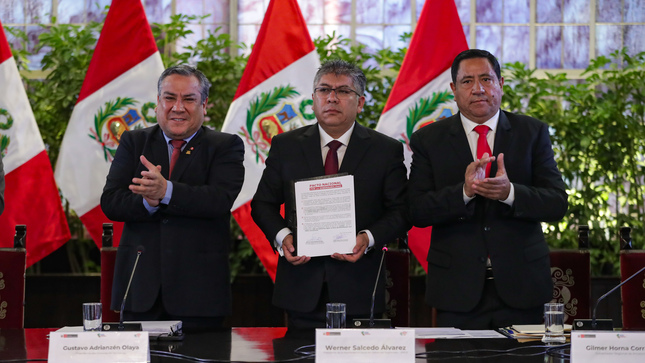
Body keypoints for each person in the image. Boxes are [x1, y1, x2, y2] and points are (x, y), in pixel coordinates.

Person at [407, 49, 568, 329]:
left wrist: (510, 193)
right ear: (453, 90)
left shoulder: (532, 132)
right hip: (456, 291)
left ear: (501, 84)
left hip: (522, 286)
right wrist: (464, 192)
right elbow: (416, 210)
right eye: (467, 81)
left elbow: (557, 203)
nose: (478, 89)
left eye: (486, 79)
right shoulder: (428, 139)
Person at [251, 60, 409, 329]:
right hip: (301, 285)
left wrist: (367, 238)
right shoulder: (285, 146)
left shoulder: (386, 150)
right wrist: (283, 238)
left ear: (360, 102)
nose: (332, 98)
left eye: (344, 91)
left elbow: (402, 211)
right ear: (313, 100)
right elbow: (262, 205)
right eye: (324, 90)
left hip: (360, 285)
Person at [101, 65, 244, 331]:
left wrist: (165, 191)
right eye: (169, 98)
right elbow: (110, 202)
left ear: (204, 105)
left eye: (189, 99)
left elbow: (219, 200)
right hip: (140, 291)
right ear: (157, 103)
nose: (178, 107)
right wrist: (148, 202)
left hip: (199, 295)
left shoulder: (225, 146)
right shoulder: (134, 142)